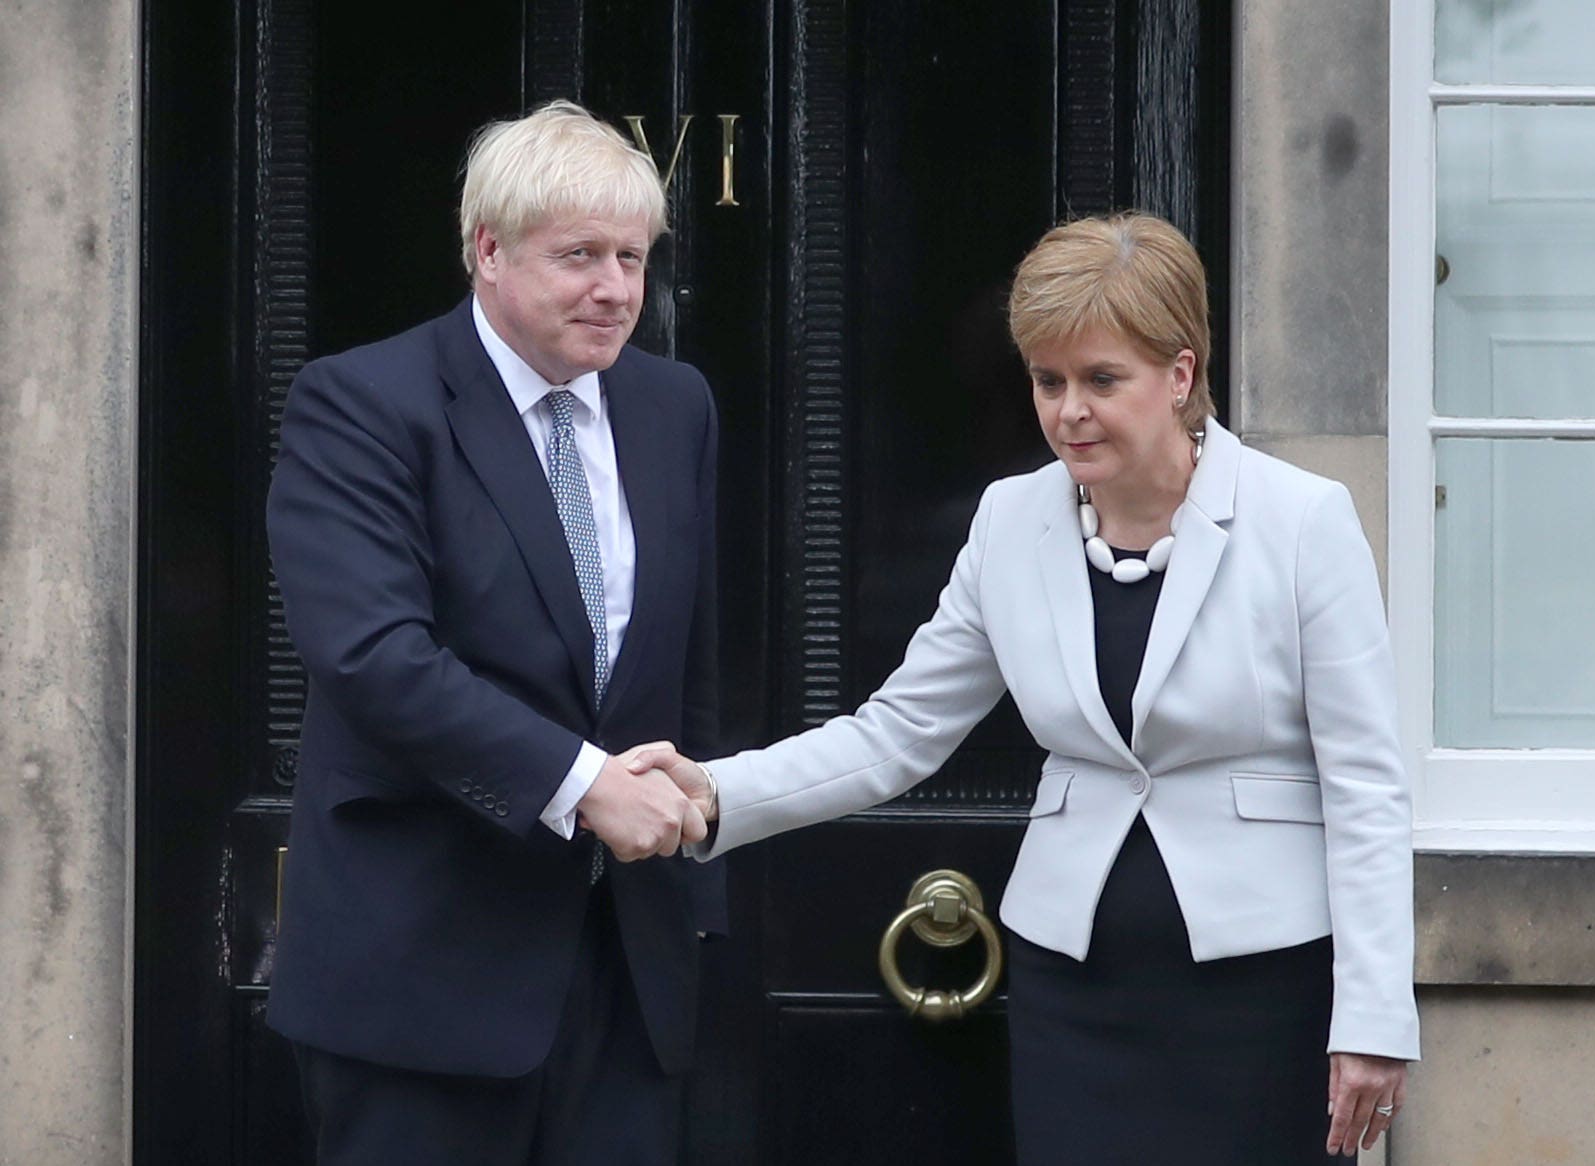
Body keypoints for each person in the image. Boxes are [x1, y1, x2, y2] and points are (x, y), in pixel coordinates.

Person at [632, 212, 1418, 1164]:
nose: (1067, 411)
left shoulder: (1302, 520)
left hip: (1261, 990)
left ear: (1179, 375)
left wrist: (1374, 1015)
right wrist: (716, 793)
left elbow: (1366, 783)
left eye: (1100, 380)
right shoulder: (1011, 521)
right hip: (1072, 987)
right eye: (1048, 381)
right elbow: (898, 732)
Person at [265, 100, 723, 1166]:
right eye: (579, 257)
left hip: (628, 970)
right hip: (423, 975)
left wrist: (698, 872)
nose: (615, 289)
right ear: (487, 251)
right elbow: (373, 653)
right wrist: (583, 783)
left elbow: (686, 663)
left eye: (631, 256)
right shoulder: (363, 402)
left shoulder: (674, 405)